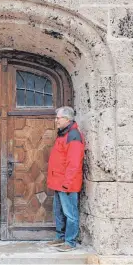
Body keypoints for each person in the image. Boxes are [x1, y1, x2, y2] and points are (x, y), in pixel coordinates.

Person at [46, 106, 85, 252]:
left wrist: (67, 183)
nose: (56, 120)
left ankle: (70, 241)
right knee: (59, 212)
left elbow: (74, 162)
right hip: (58, 182)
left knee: (70, 213)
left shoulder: (73, 135)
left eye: (58, 118)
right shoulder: (63, 133)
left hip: (67, 183)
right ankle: (60, 237)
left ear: (67, 119)